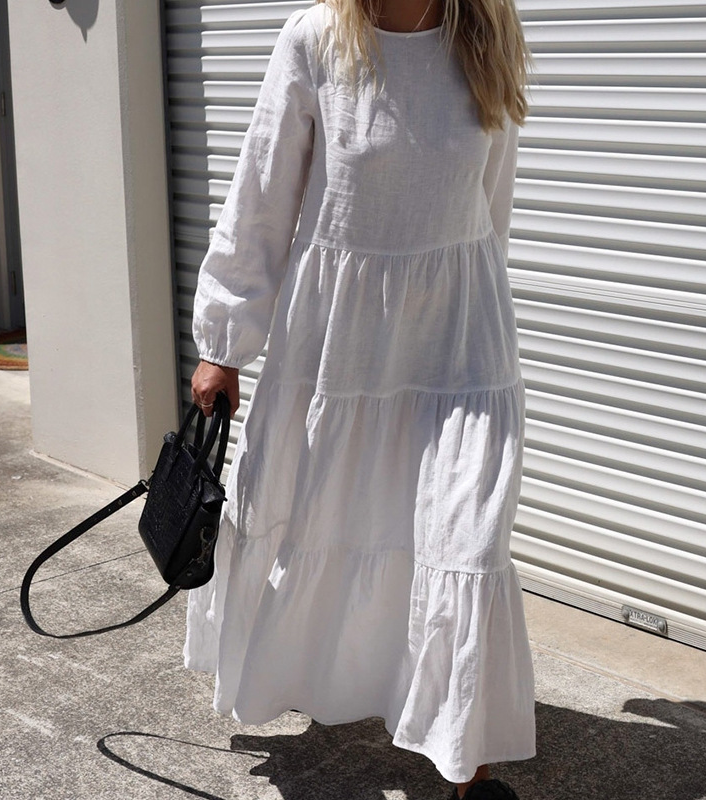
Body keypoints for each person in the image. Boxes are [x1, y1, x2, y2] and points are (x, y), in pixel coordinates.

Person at [186, 0, 535, 797]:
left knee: (468, 543)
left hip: (460, 343)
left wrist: (472, 303)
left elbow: (493, 205)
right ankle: (345, 681)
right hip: (340, 347)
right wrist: (223, 341)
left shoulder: (486, 37)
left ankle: (467, 767)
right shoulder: (317, 39)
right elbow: (261, 193)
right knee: (327, 521)